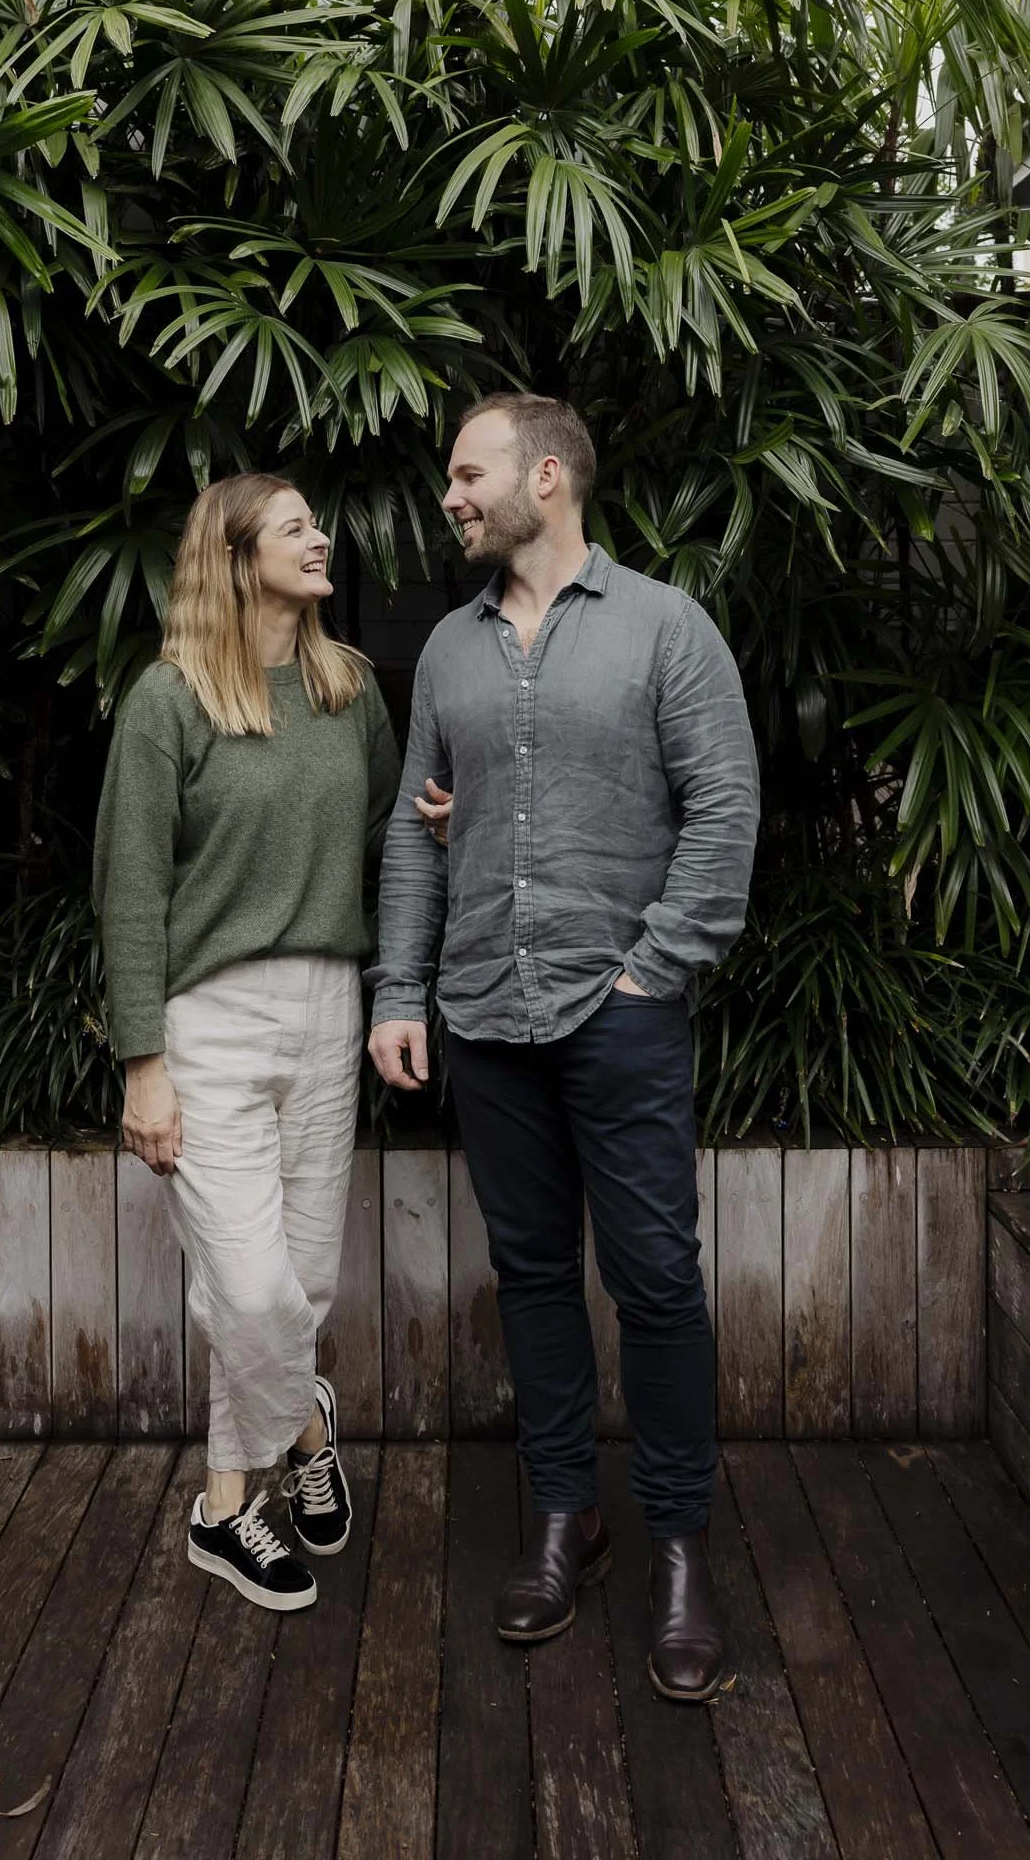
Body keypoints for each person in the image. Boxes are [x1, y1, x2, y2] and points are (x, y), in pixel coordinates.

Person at [369, 393, 759, 1700]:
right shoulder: (443, 654)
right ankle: (559, 1520)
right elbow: (414, 828)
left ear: (547, 475)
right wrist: (398, 994)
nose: (450, 497)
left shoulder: (665, 629)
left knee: (655, 1281)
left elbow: (722, 811)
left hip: (621, 1016)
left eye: (467, 473)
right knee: (531, 1279)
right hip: (484, 1018)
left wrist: (654, 971)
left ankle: (679, 1546)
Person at [95, 473, 400, 1612]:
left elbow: (375, 824)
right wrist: (143, 1066)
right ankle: (309, 1420)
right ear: (233, 557)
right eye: (293, 528)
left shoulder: (348, 689)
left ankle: (224, 1508)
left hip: (329, 1005)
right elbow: (129, 889)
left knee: (304, 1282)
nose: (321, 538)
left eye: (318, 522)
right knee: (252, 1284)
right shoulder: (166, 702)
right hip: (206, 1025)